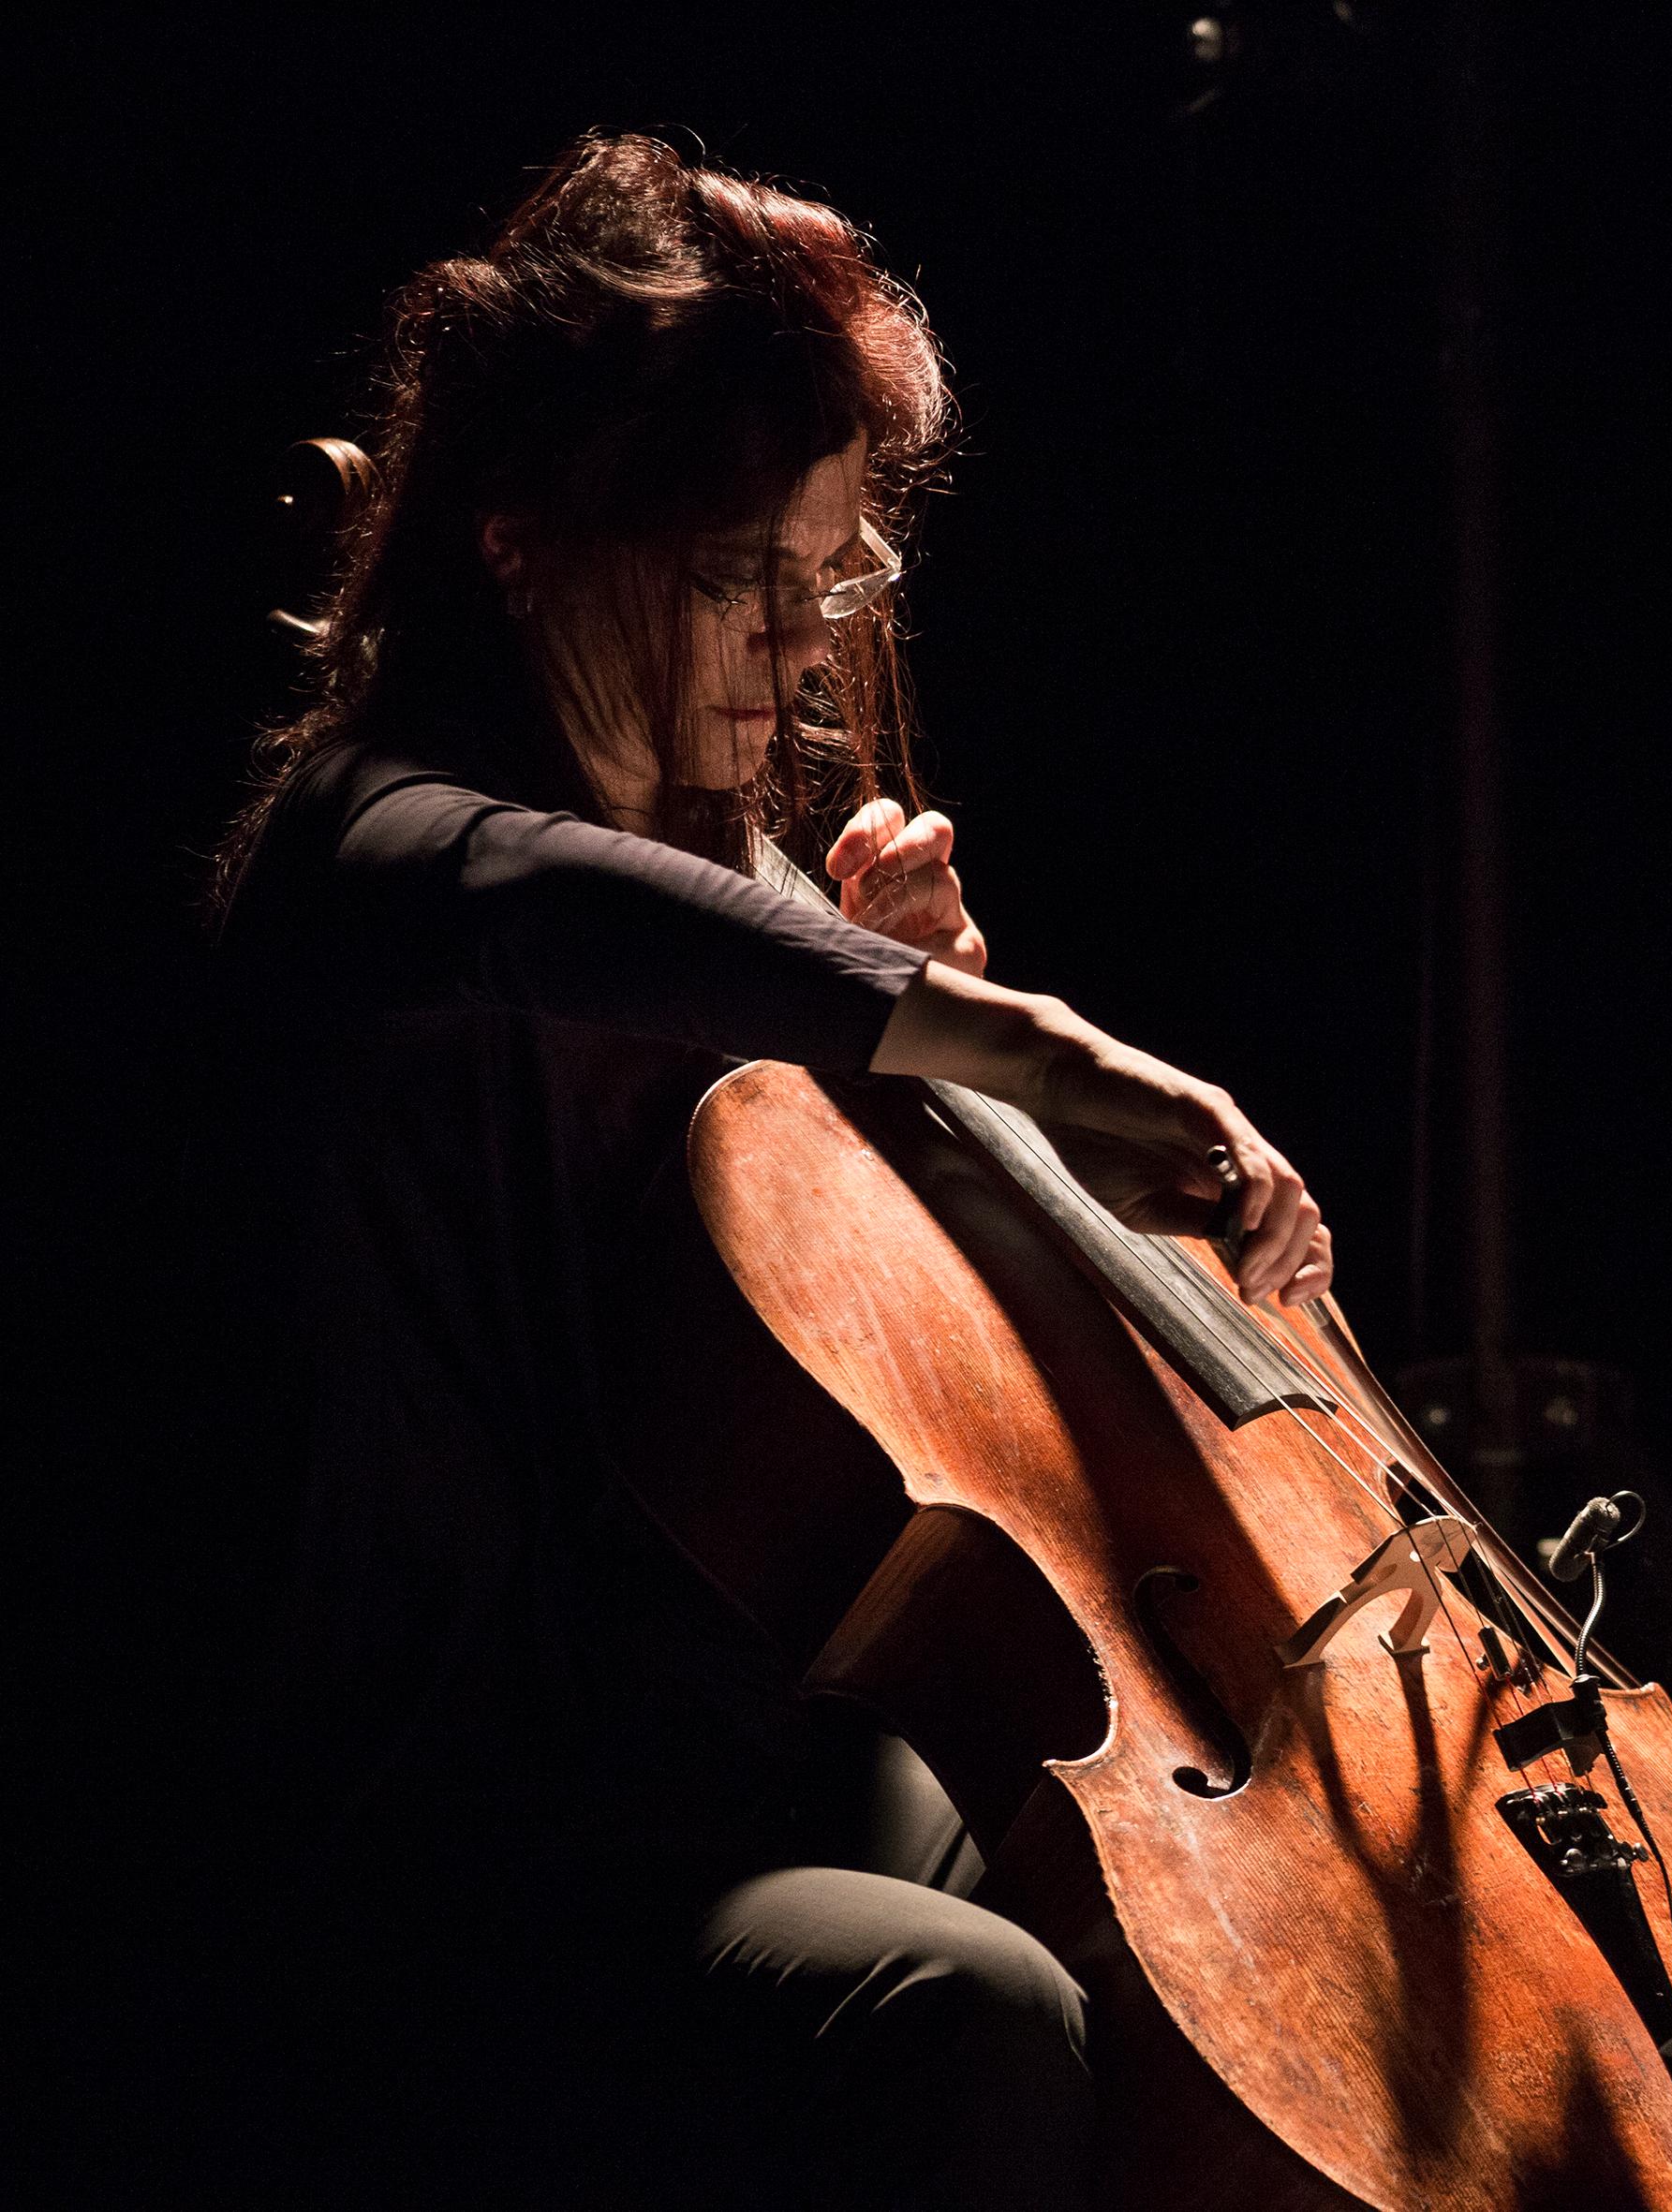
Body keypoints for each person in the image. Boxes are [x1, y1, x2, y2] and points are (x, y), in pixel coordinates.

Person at [215, 134, 1327, 2207]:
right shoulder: (368, 846)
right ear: (524, 542)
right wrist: (1017, 1050)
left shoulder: (743, 909)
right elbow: (559, 906)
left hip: (712, 1756)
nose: (804, 652)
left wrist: (899, 1060)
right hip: (448, 1860)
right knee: (957, 2001)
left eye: (826, 579)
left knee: (1173, 1942)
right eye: (739, 573)